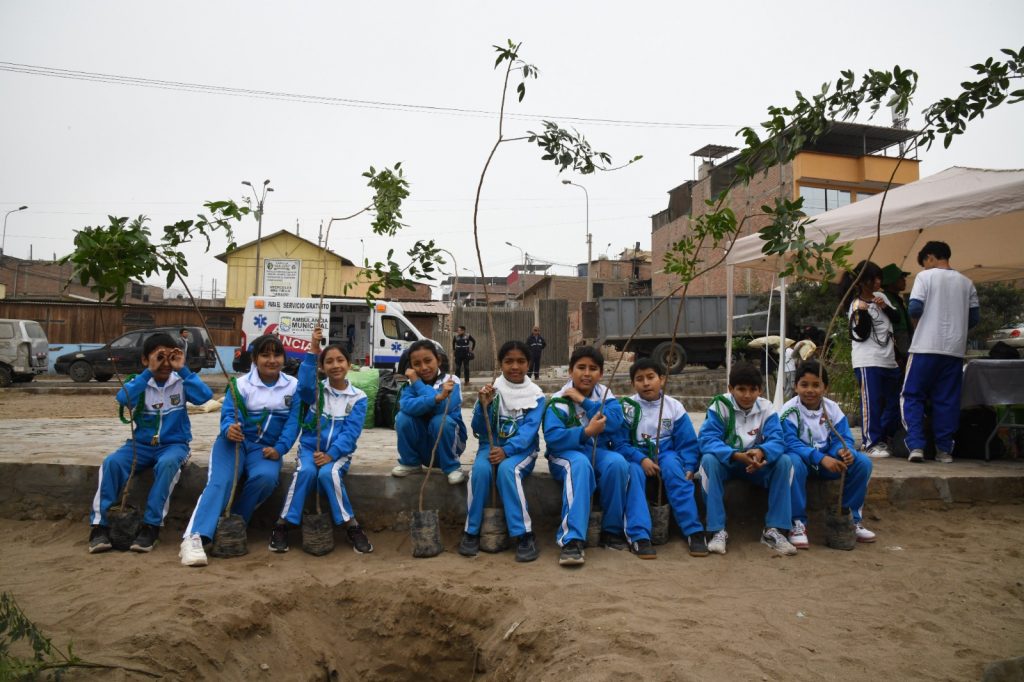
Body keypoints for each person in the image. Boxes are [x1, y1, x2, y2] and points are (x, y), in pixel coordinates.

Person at [179, 334, 300, 567]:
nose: (271, 360)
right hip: (234, 443)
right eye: (265, 355)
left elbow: (293, 423)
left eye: (277, 354)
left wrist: (279, 448)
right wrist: (229, 429)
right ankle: (194, 537)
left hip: (266, 449)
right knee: (221, 482)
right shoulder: (240, 384)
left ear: (284, 358)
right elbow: (227, 415)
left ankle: (235, 522)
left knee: (265, 478)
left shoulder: (293, 387)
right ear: (255, 359)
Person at [88, 333, 213, 554]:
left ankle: (151, 525)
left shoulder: (181, 382)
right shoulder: (140, 382)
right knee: (112, 463)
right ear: (146, 360)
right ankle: (99, 526)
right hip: (141, 445)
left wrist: (182, 369)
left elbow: (204, 397)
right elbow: (123, 399)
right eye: (159, 357)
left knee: (167, 464)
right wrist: (148, 373)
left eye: (170, 357)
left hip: (174, 445)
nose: (166, 363)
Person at [543, 346, 653, 566]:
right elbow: (553, 438)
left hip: (598, 452)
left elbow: (614, 422)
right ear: (570, 371)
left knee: (618, 463)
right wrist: (586, 432)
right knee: (581, 465)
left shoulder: (605, 395)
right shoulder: (559, 400)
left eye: (593, 369)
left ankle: (611, 532)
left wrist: (584, 402)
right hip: (566, 454)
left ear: (600, 374)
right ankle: (572, 539)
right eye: (581, 367)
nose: (587, 373)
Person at [269, 327, 373, 555]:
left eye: (340, 360)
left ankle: (351, 525)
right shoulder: (316, 392)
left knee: (329, 473)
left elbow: (351, 433)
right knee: (305, 472)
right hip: (309, 449)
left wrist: (331, 455)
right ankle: (283, 524)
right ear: (322, 367)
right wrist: (312, 350)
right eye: (329, 362)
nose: (335, 365)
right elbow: (304, 385)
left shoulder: (358, 398)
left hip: (338, 455)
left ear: (349, 364)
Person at [459, 340, 545, 562]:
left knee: (508, 471)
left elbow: (528, 432)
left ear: (529, 364)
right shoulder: (492, 391)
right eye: (509, 361)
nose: (514, 367)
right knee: (479, 471)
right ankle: (471, 531)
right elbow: (478, 429)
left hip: (520, 452)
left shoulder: (536, 395)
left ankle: (524, 534)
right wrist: (483, 407)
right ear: (500, 364)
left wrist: (507, 450)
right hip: (490, 446)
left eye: (520, 361)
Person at [697, 363, 796, 556]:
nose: (747, 395)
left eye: (753, 390)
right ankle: (717, 530)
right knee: (708, 460)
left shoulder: (767, 408)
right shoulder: (719, 406)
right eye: (741, 389)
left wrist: (761, 453)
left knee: (784, 461)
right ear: (731, 389)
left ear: (760, 390)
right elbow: (707, 440)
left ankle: (774, 530)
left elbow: (777, 439)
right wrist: (735, 455)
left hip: (756, 465)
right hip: (729, 462)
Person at [614, 358, 708, 557]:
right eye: (639, 379)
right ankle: (639, 535)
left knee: (676, 471)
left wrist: (690, 466)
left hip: (666, 452)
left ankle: (693, 531)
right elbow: (620, 443)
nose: (646, 383)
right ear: (633, 384)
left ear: (662, 379)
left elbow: (687, 442)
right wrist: (640, 459)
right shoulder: (626, 408)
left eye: (651, 377)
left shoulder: (673, 407)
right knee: (633, 477)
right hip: (636, 456)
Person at [781, 361, 875, 548]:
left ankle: (851, 519)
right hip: (804, 463)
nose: (810, 390)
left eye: (816, 385)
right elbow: (790, 443)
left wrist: (842, 450)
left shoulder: (832, 409)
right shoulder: (789, 410)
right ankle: (797, 523)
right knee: (790, 461)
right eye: (804, 385)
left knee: (862, 462)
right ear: (795, 386)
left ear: (825, 387)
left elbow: (845, 438)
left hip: (830, 461)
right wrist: (820, 458)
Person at [902, 241, 980, 464]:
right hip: (954, 350)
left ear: (930, 257)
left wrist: (920, 324)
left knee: (912, 395)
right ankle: (944, 450)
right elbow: (974, 318)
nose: (926, 267)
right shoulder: (967, 283)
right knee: (947, 399)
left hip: (925, 347)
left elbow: (915, 307)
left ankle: (916, 445)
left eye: (925, 263)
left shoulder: (925, 277)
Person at [845, 260, 901, 459]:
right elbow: (860, 333)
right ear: (862, 281)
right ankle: (871, 442)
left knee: (894, 402)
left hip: (889, 359)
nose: (878, 282)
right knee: (872, 402)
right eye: (873, 278)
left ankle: (884, 437)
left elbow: (897, 319)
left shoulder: (881, 297)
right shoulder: (855, 305)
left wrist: (884, 306)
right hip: (868, 360)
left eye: (879, 278)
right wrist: (862, 311)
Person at [391, 339, 468, 484]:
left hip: (448, 447)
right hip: (423, 448)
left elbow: (444, 407)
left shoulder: (451, 381)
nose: (424, 367)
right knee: (403, 418)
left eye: (428, 361)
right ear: (411, 367)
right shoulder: (409, 385)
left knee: (441, 419)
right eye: (417, 364)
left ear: (438, 360)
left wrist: (419, 386)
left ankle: (452, 467)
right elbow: (406, 406)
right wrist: (436, 397)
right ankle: (411, 463)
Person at [881, 264, 913, 371]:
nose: (904, 280)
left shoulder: (898, 299)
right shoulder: (884, 298)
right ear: (891, 281)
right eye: (901, 278)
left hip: (907, 341)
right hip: (896, 345)